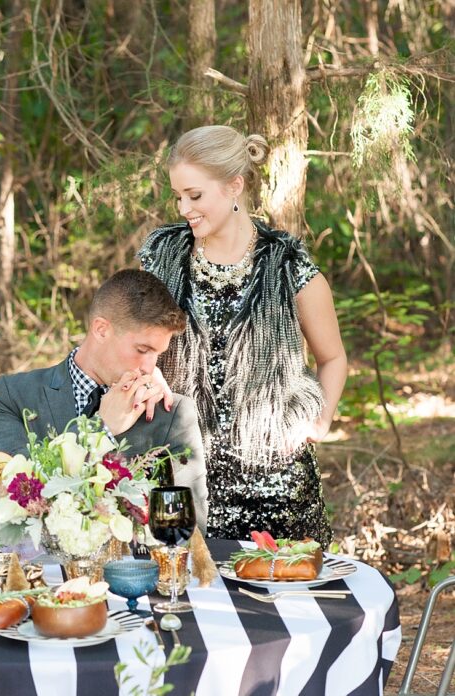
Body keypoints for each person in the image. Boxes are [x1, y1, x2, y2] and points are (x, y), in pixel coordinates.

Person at [138, 124, 347, 545]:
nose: (184, 208)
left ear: (235, 186)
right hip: (184, 476)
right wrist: (148, 370)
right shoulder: (161, 258)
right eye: (178, 196)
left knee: (283, 600)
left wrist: (319, 420)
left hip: (275, 485)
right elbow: (136, 340)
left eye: (195, 196)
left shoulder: (288, 267)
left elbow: (333, 358)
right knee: (187, 598)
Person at [0, 269, 209, 527]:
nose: (149, 366)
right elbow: (15, 500)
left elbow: (191, 531)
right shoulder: (14, 396)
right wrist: (100, 431)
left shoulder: (172, 412)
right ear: (101, 329)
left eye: (157, 353)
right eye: (142, 349)